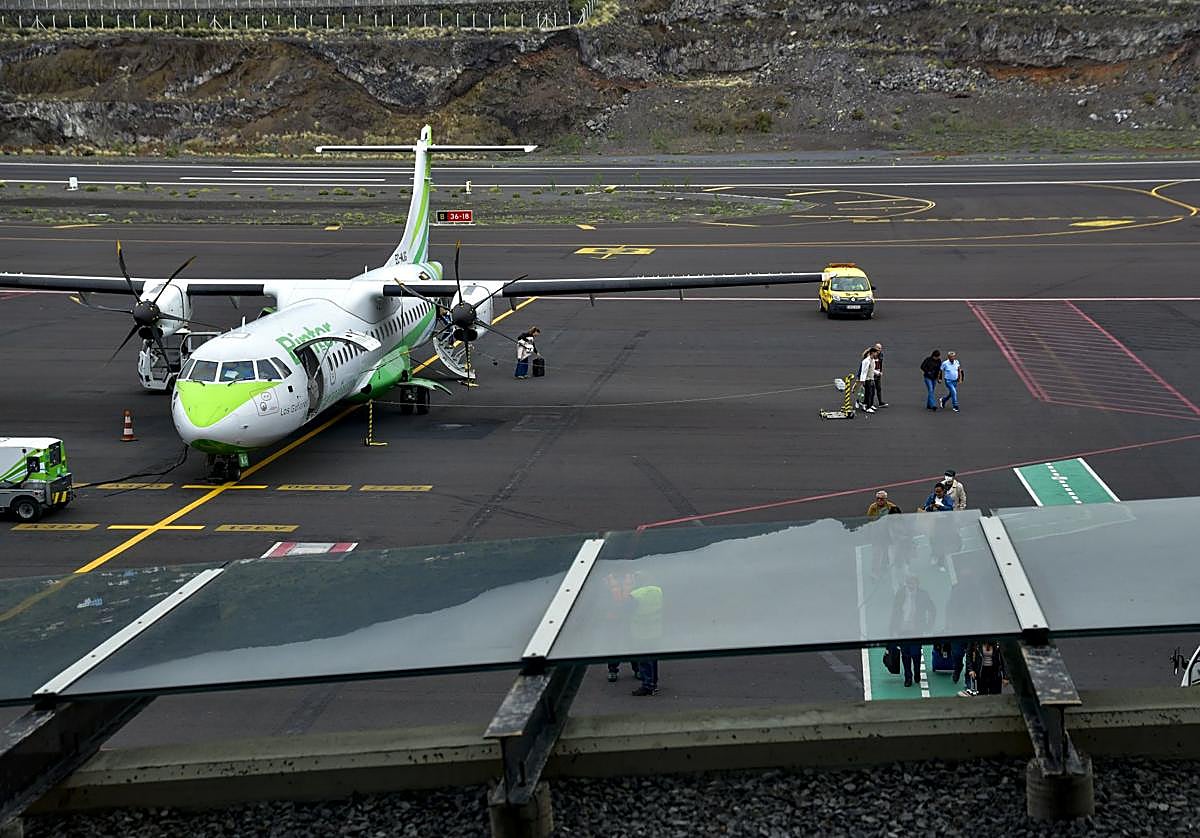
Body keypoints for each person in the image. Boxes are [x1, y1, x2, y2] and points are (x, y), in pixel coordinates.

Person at [889, 574, 935, 688]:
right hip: (903, 630)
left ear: (917, 584)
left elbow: (932, 609)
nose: (910, 585)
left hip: (916, 630)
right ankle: (908, 677)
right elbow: (895, 612)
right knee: (905, 655)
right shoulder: (900, 594)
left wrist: (929, 625)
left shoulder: (923, 595)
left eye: (913, 583)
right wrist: (892, 629)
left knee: (916, 653)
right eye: (909, 582)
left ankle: (917, 673)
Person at [629, 576, 663, 696]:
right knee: (653, 659)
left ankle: (647, 685)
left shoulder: (636, 594)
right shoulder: (658, 590)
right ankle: (653, 682)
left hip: (641, 631)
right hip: (656, 630)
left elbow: (628, 610)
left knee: (644, 660)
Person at [863, 342, 888, 407]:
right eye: (878, 348)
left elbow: (880, 364)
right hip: (871, 375)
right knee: (869, 390)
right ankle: (866, 403)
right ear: (875, 348)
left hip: (877, 374)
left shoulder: (881, 355)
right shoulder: (870, 355)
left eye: (881, 348)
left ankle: (879, 402)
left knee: (878, 388)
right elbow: (867, 367)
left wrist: (880, 371)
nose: (880, 350)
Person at [857, 346, 879, 413]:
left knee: (872, 393)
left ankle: (870, 405)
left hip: (871, 379)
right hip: (867, 380)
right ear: (872, 353)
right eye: (876, 353)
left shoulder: (872, 360)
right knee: (868, 394)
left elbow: (871, 369)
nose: (877, 354)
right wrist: (862, 380)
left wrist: (877, 372)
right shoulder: (866, 361)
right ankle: (868, 407)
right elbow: (864, 371)